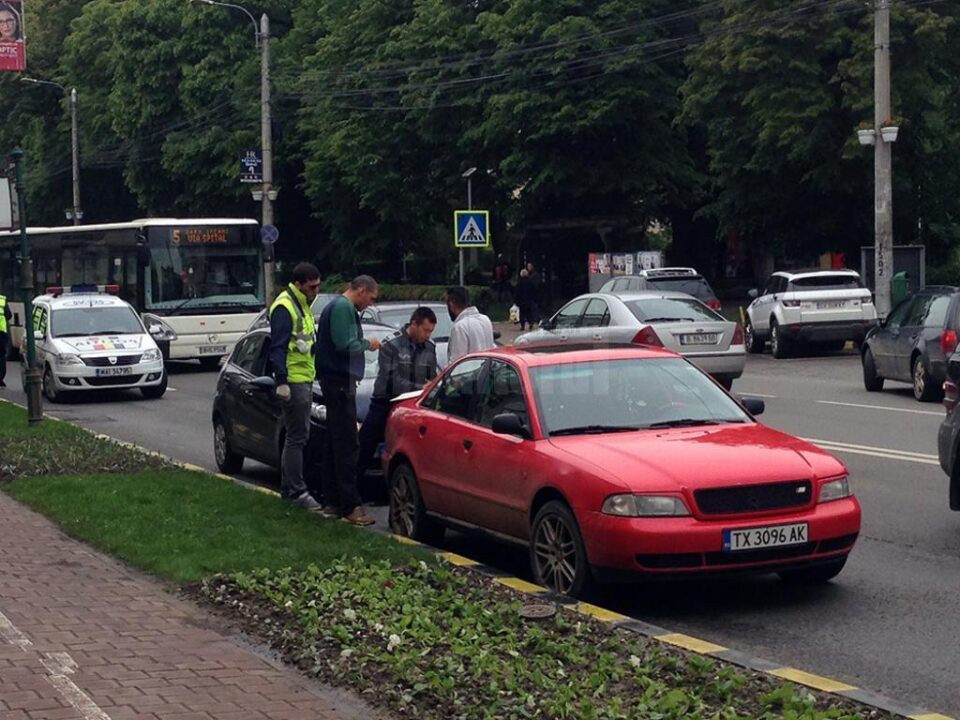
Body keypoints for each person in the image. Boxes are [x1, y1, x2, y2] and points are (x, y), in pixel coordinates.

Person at [316, 275, 382, 526]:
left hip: (335, 381)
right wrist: (369, 343)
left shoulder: (336, 306)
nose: (370, 304)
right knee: (347, 444)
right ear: (362, 290)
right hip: (340, 382)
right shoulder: (343, 308)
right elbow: (345, 343)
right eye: (371, 298)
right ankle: (350, 506)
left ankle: (332, 502)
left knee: (334, 442)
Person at [356, 307, 438, 491]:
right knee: (365, 447)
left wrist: (429, 388)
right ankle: (352, 490)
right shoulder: (391, 344)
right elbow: (392, 381)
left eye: (431, 331)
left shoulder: (429, 347)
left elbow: (431, 379)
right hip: (386, 402)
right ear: (414, 324)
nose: (428, 335)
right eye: (425, 330)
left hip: (413, 406)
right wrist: (421, 388)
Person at [268, 262, 323, 511]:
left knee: (297, 435)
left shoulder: (301, 304)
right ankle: (296, 491)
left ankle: (290, 489)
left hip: (304, 378)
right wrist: (281, 381)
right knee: (297, 437)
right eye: (312, 287)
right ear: (299, 284)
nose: (316, 291)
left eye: (318, 286)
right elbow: (277, 347)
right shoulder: (285, 306)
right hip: (294, 380)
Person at [446, 286, 495, 362]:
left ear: (452, 305)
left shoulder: (460, 327)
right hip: (487, 371)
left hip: (471, 373)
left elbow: (456, 362)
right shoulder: (485, 319)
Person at [0, 291, 10, 388]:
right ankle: (0, 379)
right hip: (1, 333)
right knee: (2, 357)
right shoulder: (2, 300)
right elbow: (9, 315)